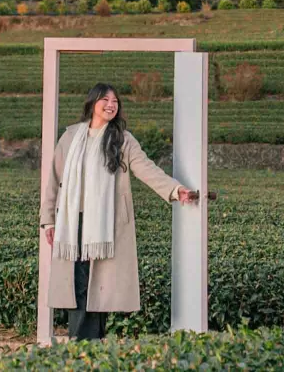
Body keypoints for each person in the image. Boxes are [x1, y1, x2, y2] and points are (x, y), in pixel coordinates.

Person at [38, 82, 198, 341]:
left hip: (105, 225)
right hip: (72, 222)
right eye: (105, 100)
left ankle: (84, 345)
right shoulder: (70, 137)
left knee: (97, 286)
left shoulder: (122, 139)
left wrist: (174, 189)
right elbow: (54, 180)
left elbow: (146, 168)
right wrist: (48, 220)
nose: (111, 105)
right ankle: (86, 344)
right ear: (92, 103)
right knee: (79, 284)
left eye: (115, 101)